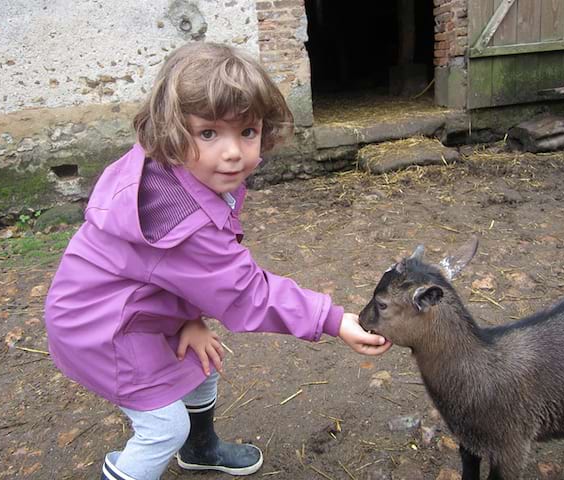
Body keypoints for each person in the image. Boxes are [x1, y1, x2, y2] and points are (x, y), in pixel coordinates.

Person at [44, 41, 391, 480]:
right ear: (170, 131)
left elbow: (174, 274)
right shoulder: (179, 220)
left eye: (247, 132)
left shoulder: (175, 171)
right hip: (101, 328)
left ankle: (201, 449)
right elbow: (244, 291)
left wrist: (187, 317)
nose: (232, 152)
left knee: (200, 361)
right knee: (162, 428)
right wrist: (332, 319)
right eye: (209, 133)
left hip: (133, 305)